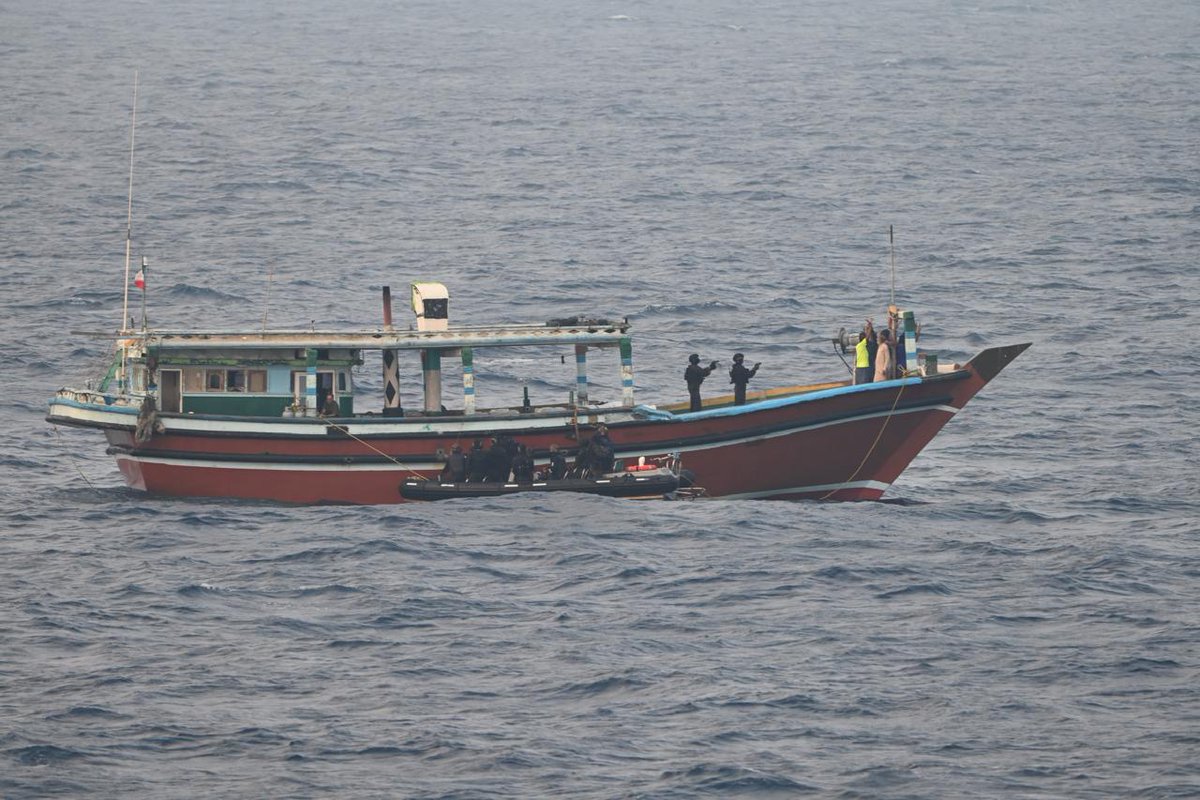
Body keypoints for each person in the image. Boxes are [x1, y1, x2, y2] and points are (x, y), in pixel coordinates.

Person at [854, 319, 875, 385]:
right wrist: (870, 326)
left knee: (859, 383)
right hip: (864, 367)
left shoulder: (858, 346)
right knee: (865, 384)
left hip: (858, 367)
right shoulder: (863, 344)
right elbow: (868, 336)